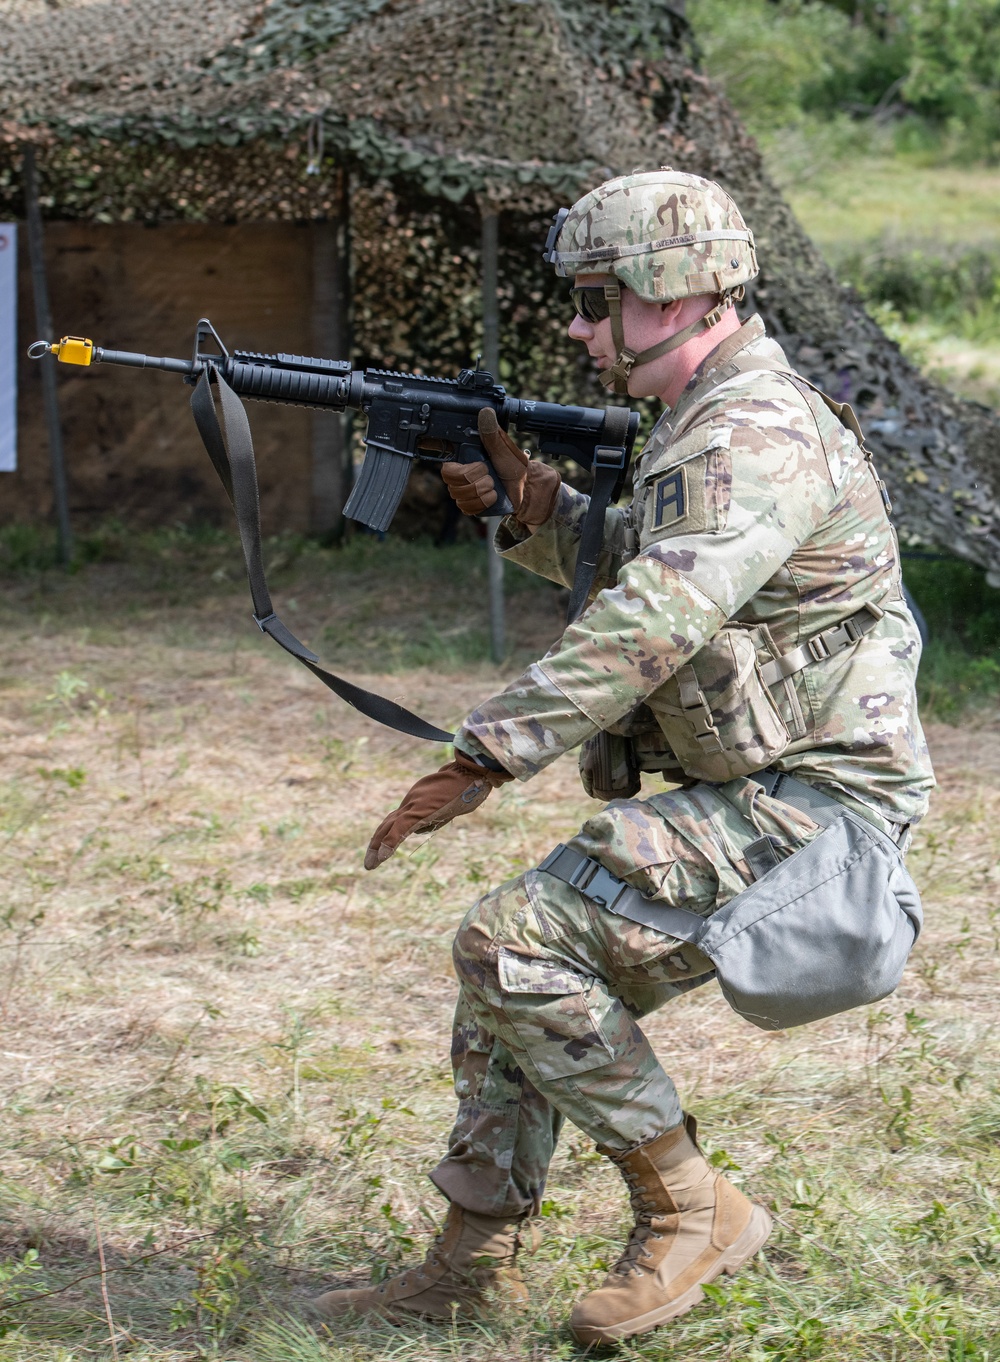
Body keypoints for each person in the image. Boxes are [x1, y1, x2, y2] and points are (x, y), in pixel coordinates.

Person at [310, 169, 934, 1345]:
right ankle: (468, 1259)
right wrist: (536, 512)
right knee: (509, 960)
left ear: (677, 291)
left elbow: (655, 620)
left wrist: (484, 757)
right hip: (759, 790)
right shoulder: (701, 423)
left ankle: (689, 1211)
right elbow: (659, 564)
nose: (579, 326)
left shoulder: (752, 429)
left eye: (598, 300)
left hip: (819, 811)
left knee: (514, 941)